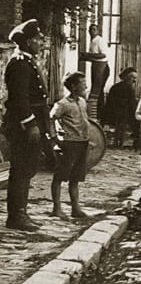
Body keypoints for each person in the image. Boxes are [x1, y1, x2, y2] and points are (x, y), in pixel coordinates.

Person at [2, 19, 53, 232]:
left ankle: (21, 212)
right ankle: (16, 216)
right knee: (22, 169)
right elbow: (20, 100)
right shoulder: (20, 64)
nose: (42, 41)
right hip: (24, 124)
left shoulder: (28, 61)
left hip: (35, 120)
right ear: (28, 41)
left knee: (28, 168)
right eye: (38, 39)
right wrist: (30, 124)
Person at [49, 71, 93, 219]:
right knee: (60, 177)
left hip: (82, 143)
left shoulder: (82, 101)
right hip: (68, 144)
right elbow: (50, 119)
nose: (86, 86)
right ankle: (57, 208)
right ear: (73, 87)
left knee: (76, 178)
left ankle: (76, 208)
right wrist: (55, 138)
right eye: (83, 83)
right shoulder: (62, 104)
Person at [104, 68, 139, 150]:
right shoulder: (117, 87)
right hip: (118, 111)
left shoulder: (130, 87)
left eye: (135, 78)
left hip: (126, 111)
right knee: (123, 124)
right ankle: (119, 142)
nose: (134, 80)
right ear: (125, 77)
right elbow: (111, 101)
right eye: (132, 77)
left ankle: (122, 142)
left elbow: (132, 102)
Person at [79, 23, 110, 114]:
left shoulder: (100, 40)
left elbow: (103, 55)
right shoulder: (92, 41)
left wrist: (89, 55)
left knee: (97, 91)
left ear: (97, 31)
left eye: (94, 29)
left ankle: (99, 113)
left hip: (102, 67)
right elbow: (94, 57)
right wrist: (85, 57)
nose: (92, 31)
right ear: (88, 31)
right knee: (97, 90)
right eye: (91, 30)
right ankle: (98, 113)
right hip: (95, 66)